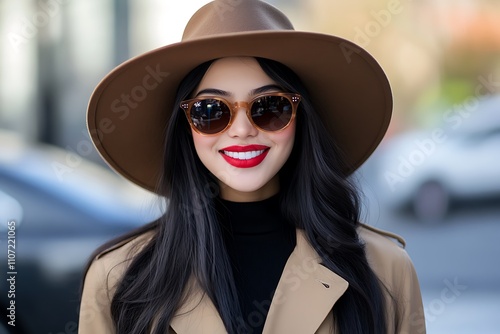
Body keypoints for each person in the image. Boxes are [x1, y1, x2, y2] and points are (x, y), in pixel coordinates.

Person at [79, 1, 426, 333]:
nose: (242, 130)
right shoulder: (118, 279)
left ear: (300, 117)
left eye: (269, 107)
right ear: (185, 127)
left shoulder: (385, 271)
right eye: (211, 111)